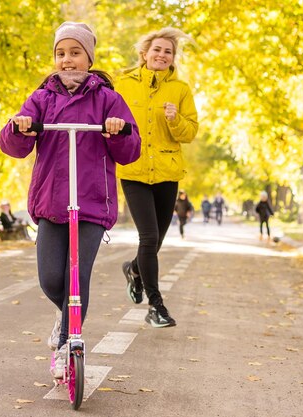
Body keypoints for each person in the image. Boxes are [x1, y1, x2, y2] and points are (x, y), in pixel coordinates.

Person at [0, 21, 141, 379]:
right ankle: (64, 316)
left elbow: (131, 150)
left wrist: (119, 130)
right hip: (52, 201)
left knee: (77, 277)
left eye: (75, 53)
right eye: (61, 53)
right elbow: (13, 145)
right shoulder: (42, 98)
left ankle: (67, 345)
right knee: (51, 278)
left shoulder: (108, 98)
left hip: (92, 203)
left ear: (89, 58)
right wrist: (19, 127)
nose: (67, 60)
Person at [116, 28, 198, 328]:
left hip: (167, 172)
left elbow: (190, 133)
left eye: (168, 52)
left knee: (156, 241)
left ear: (173, 59)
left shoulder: (180, 90)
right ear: (144, 53)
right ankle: (156, 306)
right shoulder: (123, 85)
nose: (162, 55)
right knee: (148, 237)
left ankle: (134, 270)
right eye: (157, 50)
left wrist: (176, 120)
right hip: (133, 170)